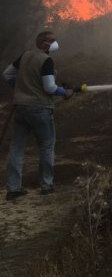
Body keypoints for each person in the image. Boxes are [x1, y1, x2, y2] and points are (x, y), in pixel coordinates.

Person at [3, 30, 73, 201]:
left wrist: (21, 88)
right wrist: (65, 92)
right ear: (43, 43)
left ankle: (13, 189)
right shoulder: (46, 60)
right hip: (40, 108)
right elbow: (49, 88)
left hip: (20, 107)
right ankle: (46, 185)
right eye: (51, 40)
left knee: (16, 148)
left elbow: (7, 74)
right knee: (46, 146)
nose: (55, 43)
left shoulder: (25, 56)